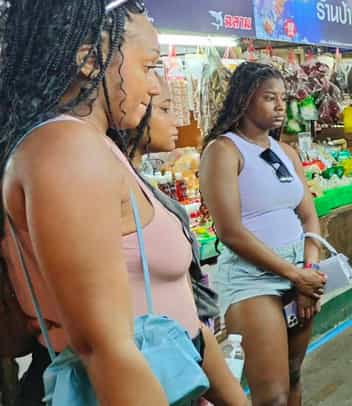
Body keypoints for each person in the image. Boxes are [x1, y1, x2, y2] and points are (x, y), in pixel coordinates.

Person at [0, 1, 244, 405]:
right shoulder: (66, 149)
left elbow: (178, 315)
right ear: (89, 61)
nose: (154, 86)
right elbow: (104, 348)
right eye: (148, 67)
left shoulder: (92, 146)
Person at [199, 62, 326, 406]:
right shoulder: (223, 151)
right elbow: (230, 232)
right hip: (252, 279)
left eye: (283, 98)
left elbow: (310, 219)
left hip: (300, 274)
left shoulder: (287, 153)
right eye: (270, 97)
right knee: (272, 397)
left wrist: (309, 272)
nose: (280, 106)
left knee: (295, 375)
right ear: (244, 99)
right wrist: (295, 275)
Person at [123, 76, 248, 406]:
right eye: (164, 109)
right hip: (152, 365)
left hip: (186, 348)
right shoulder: (111, 188)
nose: (176, 120)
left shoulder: (140, 185)